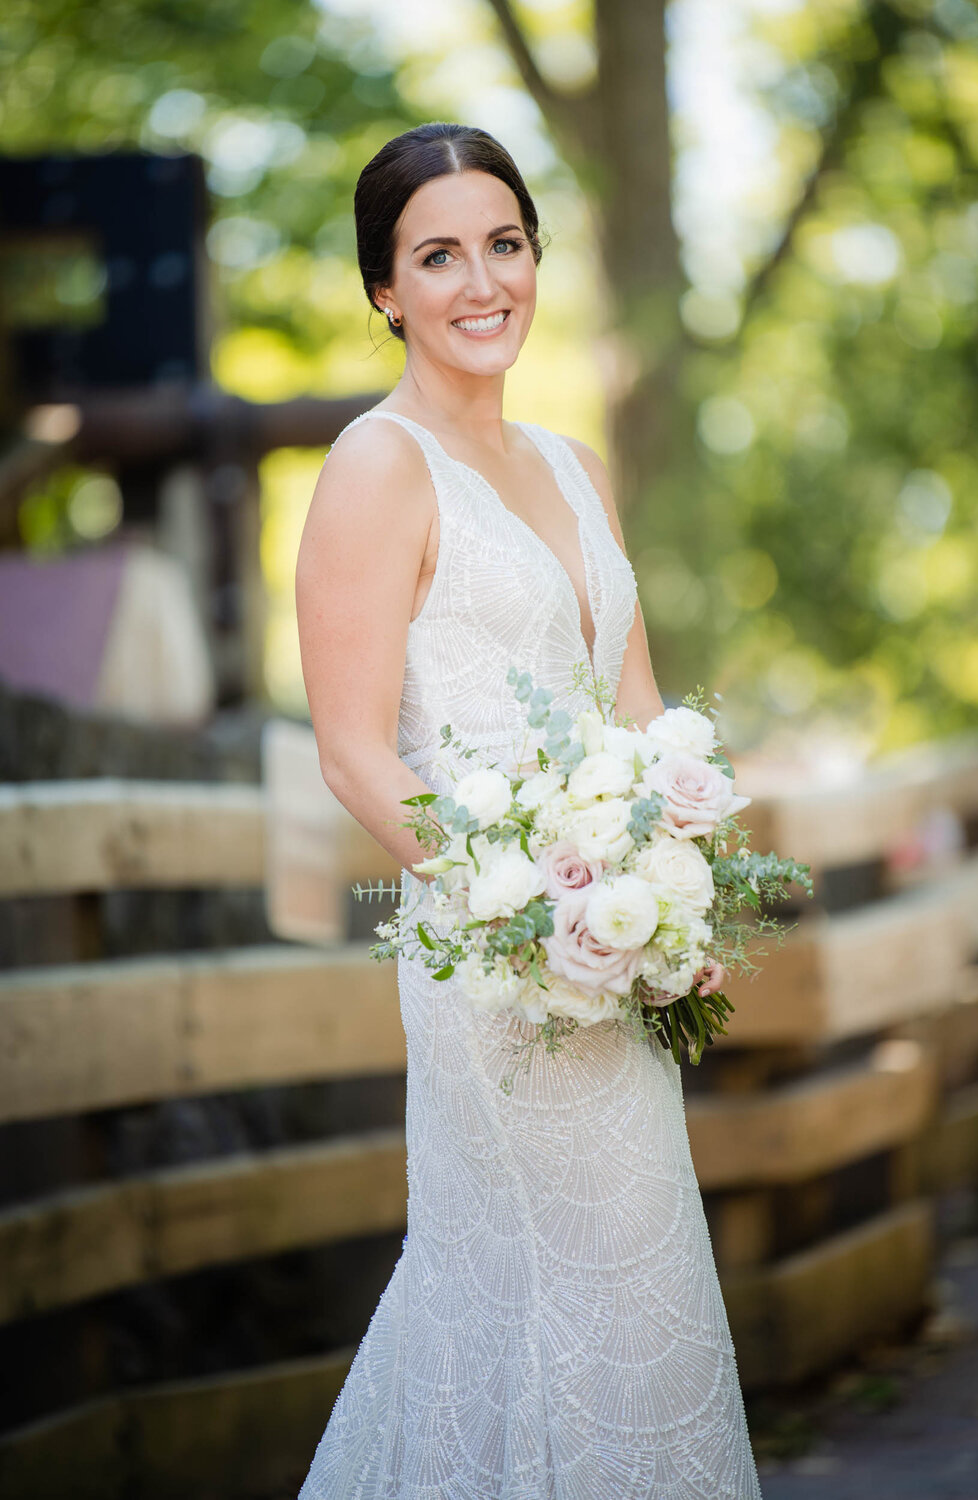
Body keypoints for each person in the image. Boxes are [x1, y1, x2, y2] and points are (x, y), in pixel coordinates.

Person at [295, 121, 761, 1500]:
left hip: (617, 962)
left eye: (504, 244)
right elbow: (351, 755)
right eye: (437, 255)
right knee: (529, 1284)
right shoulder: (375, 468)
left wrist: (679, 886)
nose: (479, 280)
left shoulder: (571, 467)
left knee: (641, 1283)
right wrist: (530, 908)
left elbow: (637, 707)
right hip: (497, 963)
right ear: (386, 290)